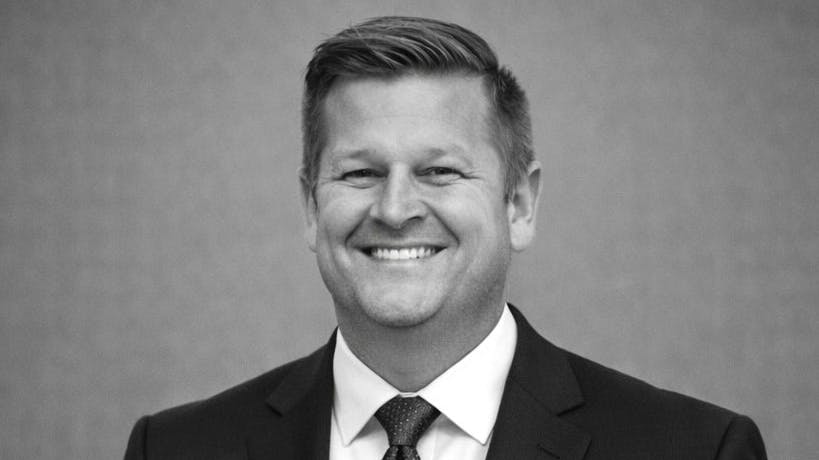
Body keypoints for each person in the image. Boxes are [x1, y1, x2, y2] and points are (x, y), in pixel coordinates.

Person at [124, 16, 767, 460]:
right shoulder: (177, 448)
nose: (396, 208)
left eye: (439, 172)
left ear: (518, 203)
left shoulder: (694, 448)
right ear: (311, 207)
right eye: (360, 173)